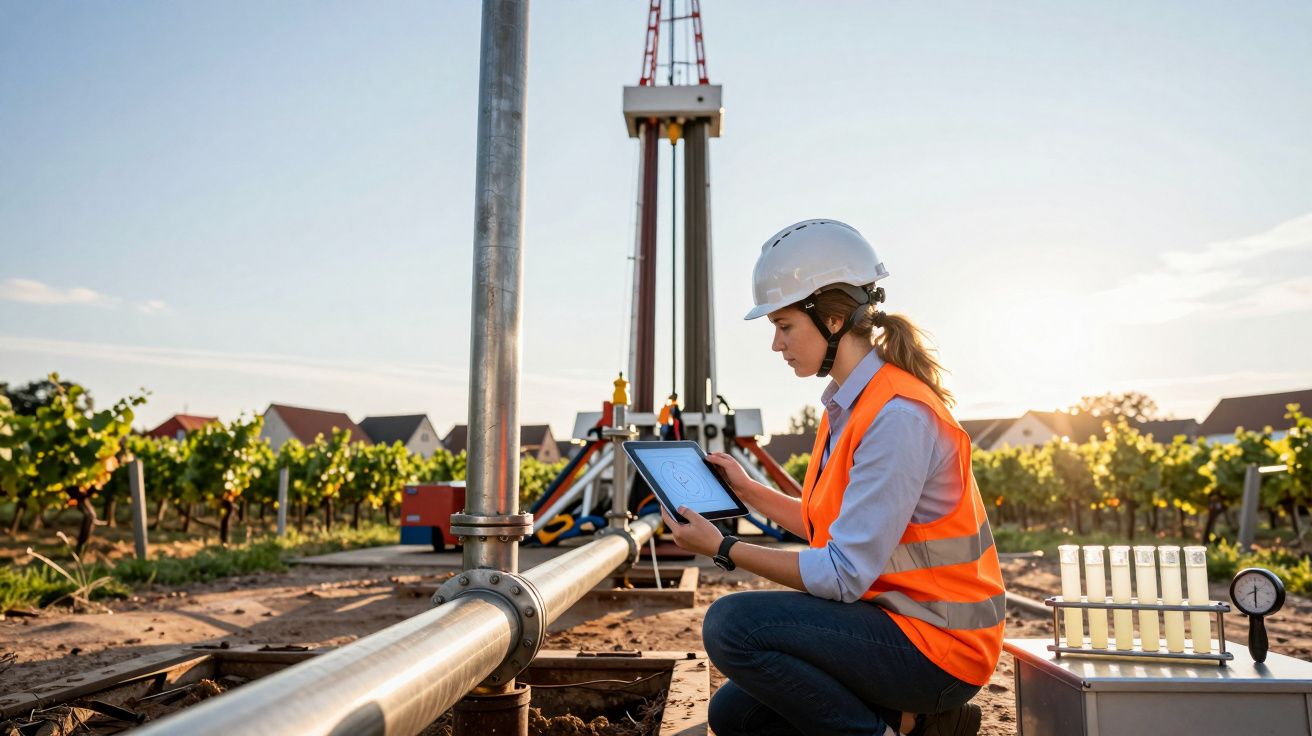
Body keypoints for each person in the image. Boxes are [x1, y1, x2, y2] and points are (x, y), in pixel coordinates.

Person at [659, 219, 1005, 736]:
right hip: (894, 625)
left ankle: (891, 727)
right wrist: (746, 490)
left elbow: (841, 574)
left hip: (941, 648)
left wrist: (724, 548)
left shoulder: (897, 417)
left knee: (730, 626)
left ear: (834, 318)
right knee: (735, 714)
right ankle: (921, 725)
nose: (776, 344)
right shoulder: (848, 407)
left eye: (784, 325)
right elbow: (828, 525)